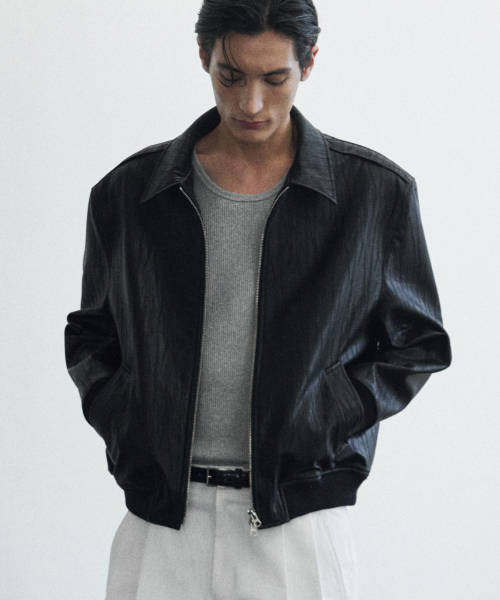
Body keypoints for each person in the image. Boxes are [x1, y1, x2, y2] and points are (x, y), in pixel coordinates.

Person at [64, 1, 452, 598]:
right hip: (161, 522)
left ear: (308, 63)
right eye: (231, 76)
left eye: (275, 79)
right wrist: (130, 420)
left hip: (298, 523)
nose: (251, 103)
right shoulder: (129, 193)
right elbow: (92, 335)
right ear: (203, 56)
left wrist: (324, 413)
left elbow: (419, 344)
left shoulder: (374, 194)